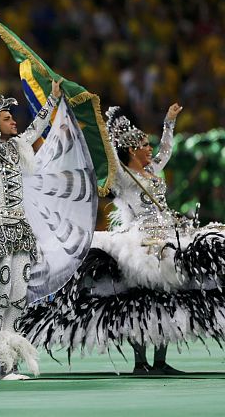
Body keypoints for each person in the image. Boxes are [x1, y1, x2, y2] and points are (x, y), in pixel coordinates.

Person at [21, 103, 225, 375]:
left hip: (167, 236)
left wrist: (169, 122)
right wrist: (98, 127)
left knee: (166, 299)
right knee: (139, 301)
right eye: (143, 144)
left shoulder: (152, 168)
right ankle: (141, 362)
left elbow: (167, 148)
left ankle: (160, 362)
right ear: (131, 149)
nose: (150, 148)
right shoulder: (122, 177)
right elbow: (110, 158)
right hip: (138, 243)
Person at [0, 63, 96, 380]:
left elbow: (37, 128)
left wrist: (53, 101)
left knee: (18, 299)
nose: (13, 121)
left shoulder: (17, 147)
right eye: (5, 117)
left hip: (21, 232)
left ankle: (7, 363)